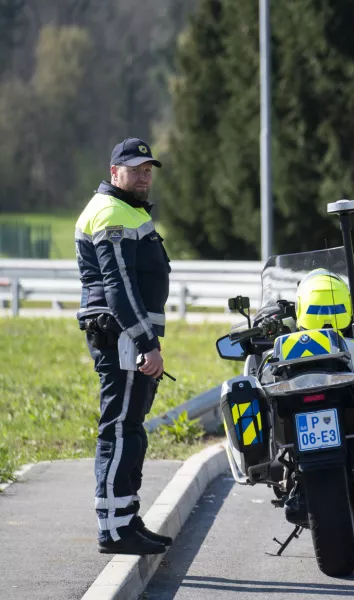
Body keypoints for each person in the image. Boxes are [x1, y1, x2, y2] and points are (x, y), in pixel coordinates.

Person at [76, 138, 173, 555]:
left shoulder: (128, 210)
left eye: (148, 169)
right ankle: (114, 530)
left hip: (127, 338)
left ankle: (127, 518)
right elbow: (119, 289)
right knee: (119, 430)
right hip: (123, 338)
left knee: (130, 430)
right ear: (114, 172)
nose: (144, 176)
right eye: (135, 169)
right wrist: (146, 343)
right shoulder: (112, 213)